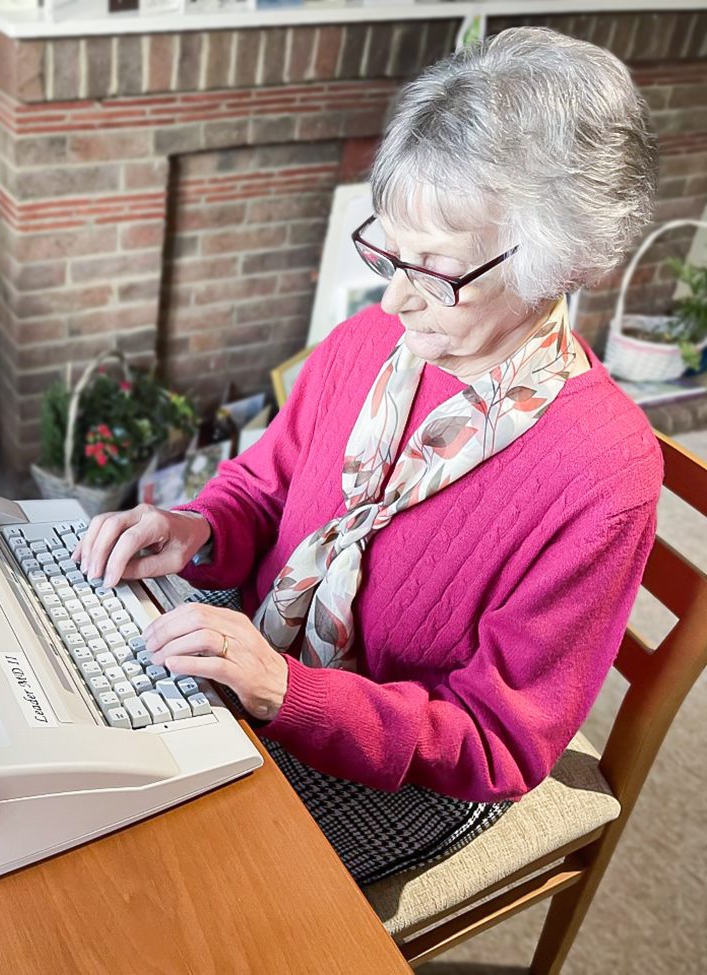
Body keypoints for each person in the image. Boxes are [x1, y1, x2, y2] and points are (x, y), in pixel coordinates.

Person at [72, 26, 663, 886]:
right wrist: (196, 526)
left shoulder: (604, 478)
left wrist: (285, 691)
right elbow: (267, 482)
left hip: (409, 762)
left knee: (171, 882)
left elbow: (496, 739)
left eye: (435, 269)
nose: (394, 296)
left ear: (553, 263)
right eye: (387, 251)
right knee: (82, 798)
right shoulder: (367, 343)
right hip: (270, 656)